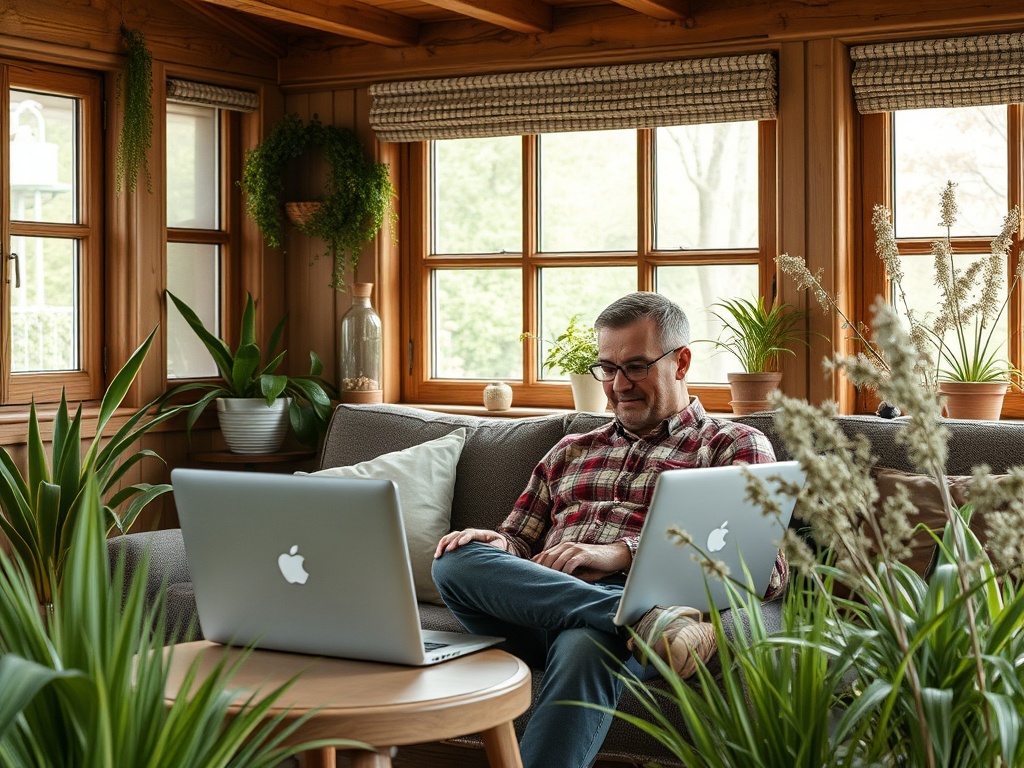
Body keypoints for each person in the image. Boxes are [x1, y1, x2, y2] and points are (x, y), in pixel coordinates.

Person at [432, 291, 787, 768]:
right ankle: (635, 618)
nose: (619, 384)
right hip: (533, 605)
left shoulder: (732, 445)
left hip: (621, 615)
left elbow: (766, 571)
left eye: (636, 367)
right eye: (607, 368)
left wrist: (621, 553)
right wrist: (496, 542)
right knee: (454, 561)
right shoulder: (569, 450)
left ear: (680, 363)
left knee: (585, 642)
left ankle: (626, 616)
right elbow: (516, 541)